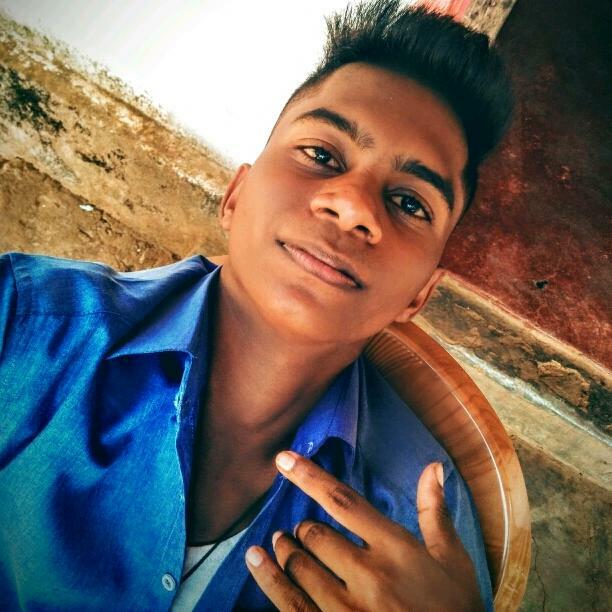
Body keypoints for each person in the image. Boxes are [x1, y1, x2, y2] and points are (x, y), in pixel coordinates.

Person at [0, 1, 513, 610]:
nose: (353, 206)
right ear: (236, 196)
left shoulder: (422, 528)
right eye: (322, 155)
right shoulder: (26, 325)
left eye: (410, 203)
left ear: (418, 295)